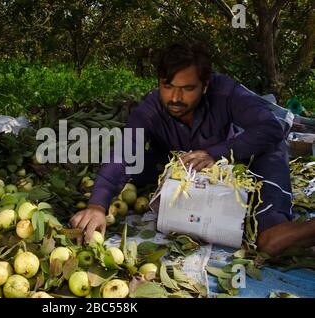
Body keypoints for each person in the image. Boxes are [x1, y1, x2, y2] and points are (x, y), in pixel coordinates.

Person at [70, 42, 315, 256]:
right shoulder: (150, 109)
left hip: (238, 160)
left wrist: (216, 153)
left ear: (205, 85)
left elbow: (270, 127)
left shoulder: (224, 91)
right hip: (188, 171)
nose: (175, 97)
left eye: (188, 89)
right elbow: (126, 152)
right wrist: (97, 205)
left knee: (269, 238)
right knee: (138, 168)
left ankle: (277, 226)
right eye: (168, 86)